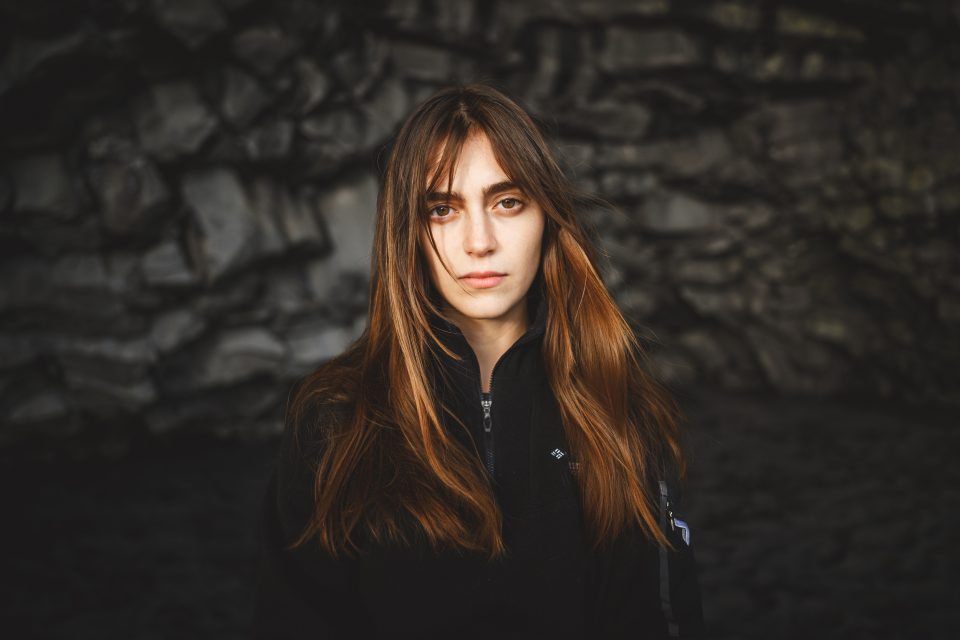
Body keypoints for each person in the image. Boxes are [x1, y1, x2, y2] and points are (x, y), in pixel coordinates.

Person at [254, 83, 704, 638]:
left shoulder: (619, 406)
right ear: (408, 233)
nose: (479, 241)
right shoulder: (335, 416)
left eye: (507, 202)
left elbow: (660, 622)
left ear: (547, 217)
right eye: (442, 209)